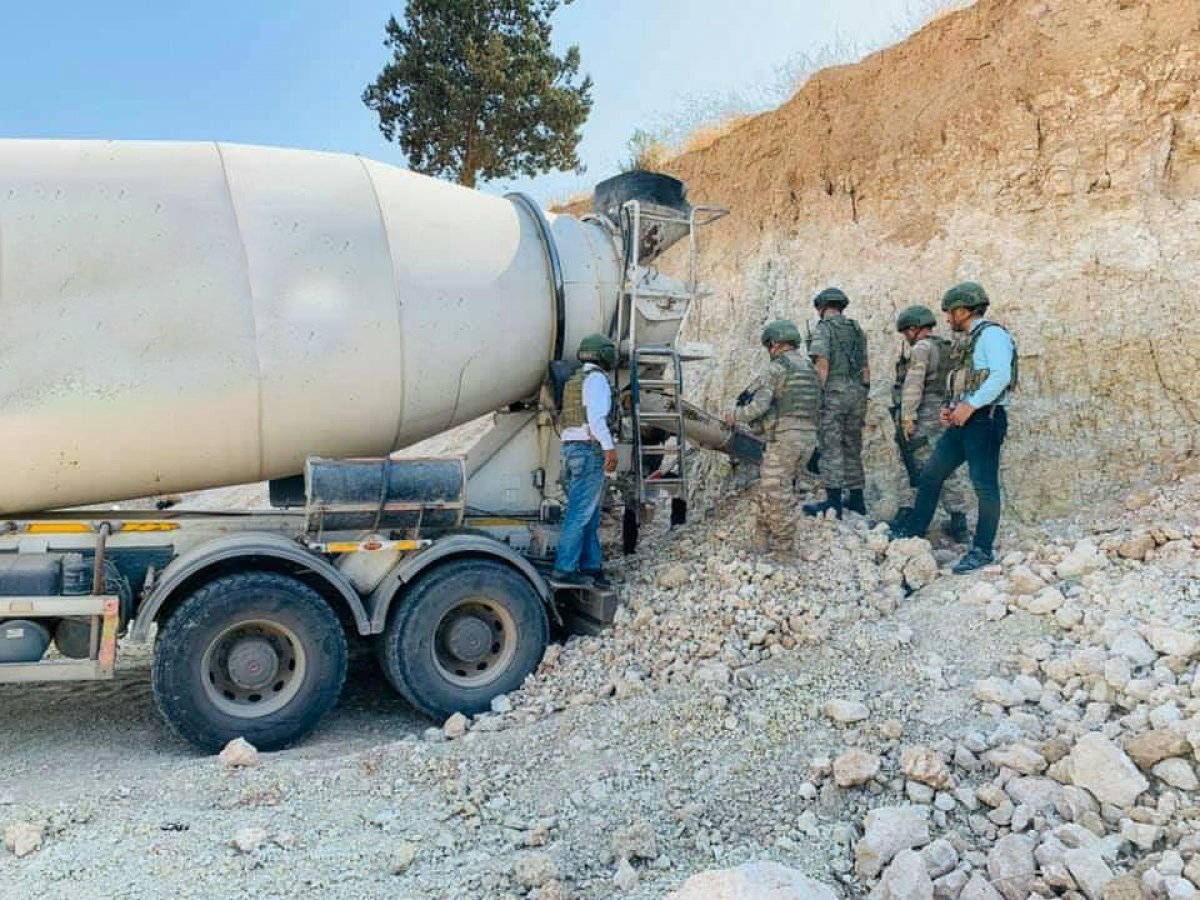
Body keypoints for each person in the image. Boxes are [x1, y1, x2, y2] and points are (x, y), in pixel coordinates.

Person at [895, 283, 1016, 573]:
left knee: (984, 485)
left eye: (950, 313)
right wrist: (952, 407)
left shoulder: (992, 335)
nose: (947, 319)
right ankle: (914, 532)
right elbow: (967, 379)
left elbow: (1001, 375)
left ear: (964, 310)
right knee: (931, 474)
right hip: (966, 420)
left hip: (985, 419)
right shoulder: (970, 340)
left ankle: (982, 550)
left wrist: (970, 405)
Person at [724, 319, 821, 553]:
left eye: (769, 346)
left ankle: (784, 550)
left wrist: (735, 415)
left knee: (777, 494)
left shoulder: (776, 367)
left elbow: (759, 406)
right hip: (807, 440)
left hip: (785, 440)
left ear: (776, 344)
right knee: (773, 488)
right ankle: (760, 540)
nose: (769, 350)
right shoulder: (809, 368)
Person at [890, 305, 971, 543]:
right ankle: (958, 522)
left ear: (914, 329)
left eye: (906, 331)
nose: (906, 336)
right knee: (945, 465)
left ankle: (912, 520)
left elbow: (913, 385)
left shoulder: (922, 348)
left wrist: (908, 417)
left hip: (925, 413)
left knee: (917, 463)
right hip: (946, 412)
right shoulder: (947, 347)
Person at [551, 333, 619, 588]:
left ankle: (592, 567)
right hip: (588, 450)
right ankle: (565, 568)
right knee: (579, 514)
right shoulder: (597, 380)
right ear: (604, 354)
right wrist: (609, 449)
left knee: (587, 514)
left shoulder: (574, 381)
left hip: (570, 450)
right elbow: (597, 420)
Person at [802, 287, 870, 518]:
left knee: (830, 445)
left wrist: (816, 397)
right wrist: (862, 392)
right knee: (852, 445)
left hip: (833, 393)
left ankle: (833, 503)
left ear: (821, 307)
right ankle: (857, 499)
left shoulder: (824, 329)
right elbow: (865, 368)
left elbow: (822, 365)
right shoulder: (857, 329)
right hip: (857, 393)